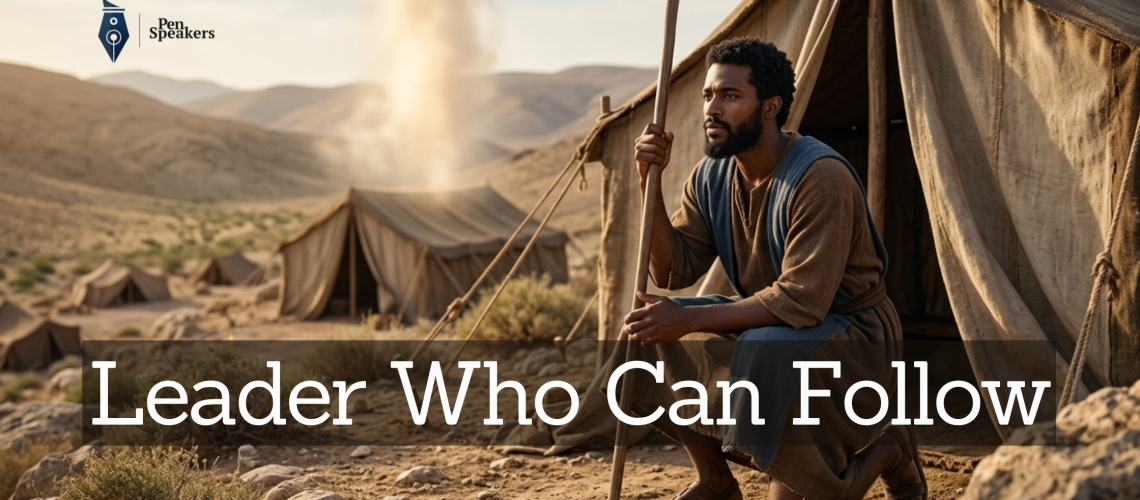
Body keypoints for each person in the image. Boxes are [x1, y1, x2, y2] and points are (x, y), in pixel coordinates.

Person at [619, 37, 927, 500]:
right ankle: (716, 481)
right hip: (770, 323)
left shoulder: (821, 176)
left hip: (853, 331)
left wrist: (687, 317)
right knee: (644, 329)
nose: (712, 108)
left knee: (764, 351)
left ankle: (885, 449)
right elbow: (671, 269)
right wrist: (650, 183)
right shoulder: (711, 175)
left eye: (730, 95)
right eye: (708, 95)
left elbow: (803, 299)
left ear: (770, 106)